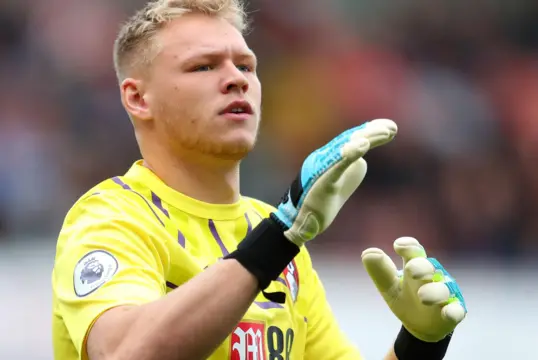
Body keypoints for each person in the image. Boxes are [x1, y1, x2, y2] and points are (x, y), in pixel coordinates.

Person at [50, 1, 468, 359]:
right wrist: (281, 236)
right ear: (138, 98)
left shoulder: (274, 233)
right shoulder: (111, 217)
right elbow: (126, 352)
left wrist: (419, 344)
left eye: (247, 65)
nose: (238, 79)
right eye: (203, 66)